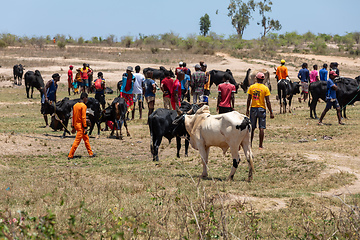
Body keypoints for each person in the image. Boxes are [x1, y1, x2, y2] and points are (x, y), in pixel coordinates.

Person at [246, 72, 274, 149]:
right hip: (262, 109)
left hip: (253, 108)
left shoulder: (252, 87)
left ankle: (250, 144)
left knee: (252, 127)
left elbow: (249, 99)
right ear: (263, 79)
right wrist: (271, 112)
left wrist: (247, 109)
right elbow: (268, 101)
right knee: (261, 128)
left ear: (256, 78)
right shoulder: (265, 88)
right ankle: (260, 145)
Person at [68, 92, 96, 160]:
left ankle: (90, 153)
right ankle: (70, 155)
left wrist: (73, 126)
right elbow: (84, 117)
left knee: (86, 139)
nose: (87, 100)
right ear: (84, 98)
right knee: (77, 141)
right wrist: (85, 127)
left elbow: (73, 116)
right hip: (81, 126)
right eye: (87, 98)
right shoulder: (83, 106)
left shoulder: (75, 105)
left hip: (77, 125)